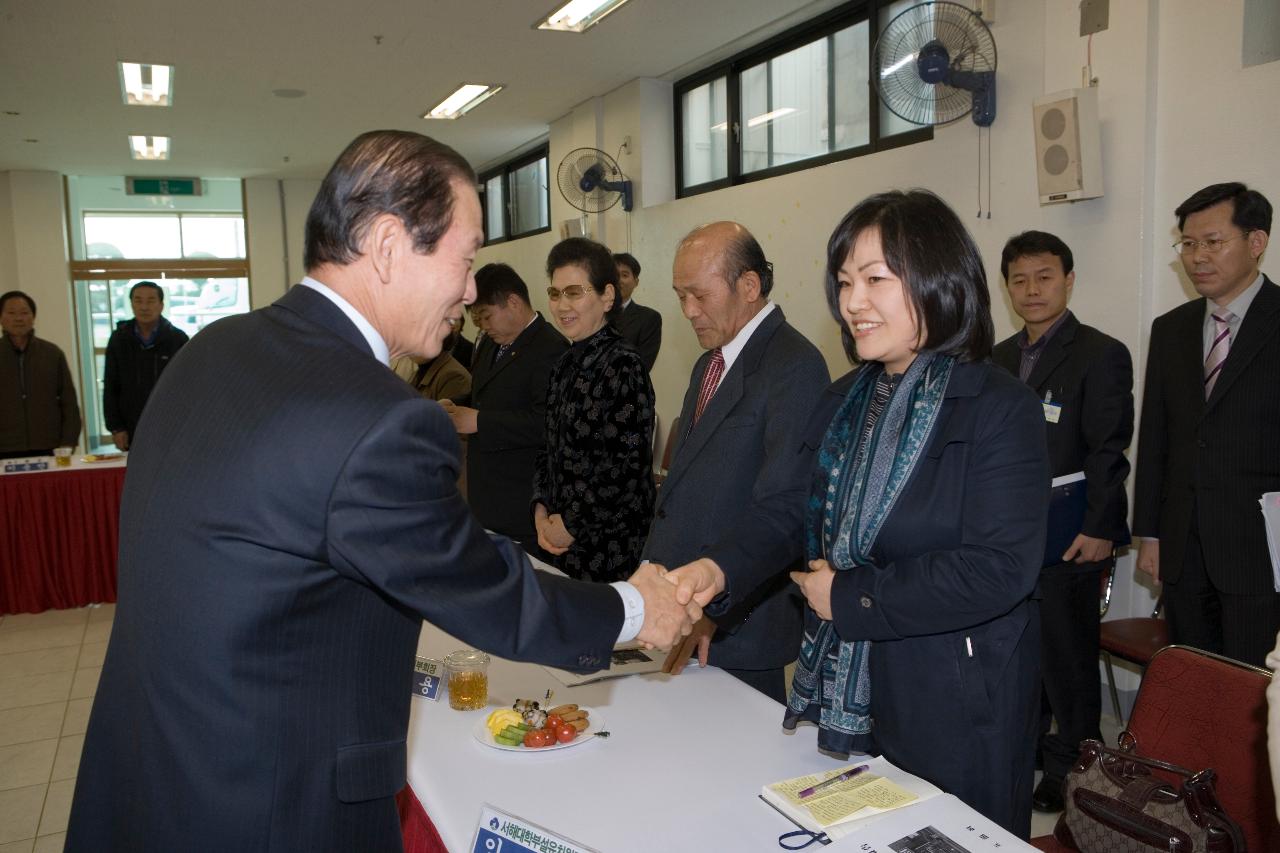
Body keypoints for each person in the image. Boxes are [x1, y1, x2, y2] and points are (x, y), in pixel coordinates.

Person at [64, 130, 698, 852]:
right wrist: (635, 607)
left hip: (151, 773)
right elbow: (487, 593)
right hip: (271, 805)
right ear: (391, 244)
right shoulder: (375, 414)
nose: (469, 289)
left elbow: (378, 537)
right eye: (464, 259)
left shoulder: (215, 346)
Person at [669, 191, 1049, 837]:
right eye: (845, 281)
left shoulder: (996, 405)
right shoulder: (847, 396)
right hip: (850, 683)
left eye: (876, 279)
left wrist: (851, 595)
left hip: (954, 692)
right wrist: (718, 567)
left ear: (939, 278)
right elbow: (794, 506)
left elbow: (998, 569)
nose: (851, 302)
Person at [645, 221, 830, 702]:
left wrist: (715, 606)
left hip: (736, 623)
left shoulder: (794, 366)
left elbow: (784, 509)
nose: (688, 311)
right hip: (684, 610)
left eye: (699, 296)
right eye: (679, 296)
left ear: (749, 285)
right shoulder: (710, 362)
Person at [992, 231, 1134, 814]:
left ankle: (1071, 762)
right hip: (1005, 535)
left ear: (1068, 280)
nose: (1032, 290)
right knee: (1020, 650)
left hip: (1071, 532)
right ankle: (1030, 743)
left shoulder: (1100, 352)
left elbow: (1108, 450)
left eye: (1045, 277)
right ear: (1007, 287)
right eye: (1020, 279)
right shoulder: (996, 358)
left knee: (1067, 657)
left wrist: (1101, 527)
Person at [1134, 182, 1280, 667]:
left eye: (1213, 242)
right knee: (1194, 683)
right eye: (1189, 244)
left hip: (1260, 551)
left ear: (1255, 242)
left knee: (1253, 690)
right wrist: (1150, 534)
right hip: (1182, 549)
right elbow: (1156, 438)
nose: (1197, 257)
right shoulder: (1171, 328)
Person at [532, 238, 655, 583]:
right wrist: (541, 509)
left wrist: (569, 524)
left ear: (607, 297)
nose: (560, 305)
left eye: (574, 292)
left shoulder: (624, 366)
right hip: (559, 538)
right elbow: (548, 447)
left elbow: (625, 468)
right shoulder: (563, 364)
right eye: (555, 294)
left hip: (608, 547)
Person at [440, 263, 567, 552]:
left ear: (513, 302)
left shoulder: (550, 347)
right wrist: (454, 405)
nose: (483, 327)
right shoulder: (489, 345)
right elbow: (483, 395)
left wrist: (479, 422)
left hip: (522, 498)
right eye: (478, 320)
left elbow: (547, 423)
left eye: (486, 316)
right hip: (486, 495)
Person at [102, 280, 190, 451]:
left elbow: (187, 387)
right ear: (131, 304)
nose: (144, 307)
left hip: (169, 426)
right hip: (130, 427)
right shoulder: (119, 339)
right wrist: (116, 427)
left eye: (150, 301)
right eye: (138, 301)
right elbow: (111, 386)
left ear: (161, 305)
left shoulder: (177, 339)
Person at [0, 290, 81, 458]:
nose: (19, 318)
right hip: (5, 447)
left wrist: (68, 442)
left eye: (24, 313)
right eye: (11, 313)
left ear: (33, 317)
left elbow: (69, 402)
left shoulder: (52, 353)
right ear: (1, 318)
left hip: (49, 445)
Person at [613, 252, 662, 371]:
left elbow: (642, 367)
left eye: (624, 275)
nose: (619, 280)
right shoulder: (594, 314)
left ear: (636, 282)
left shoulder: (649, 318)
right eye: (614, 275)